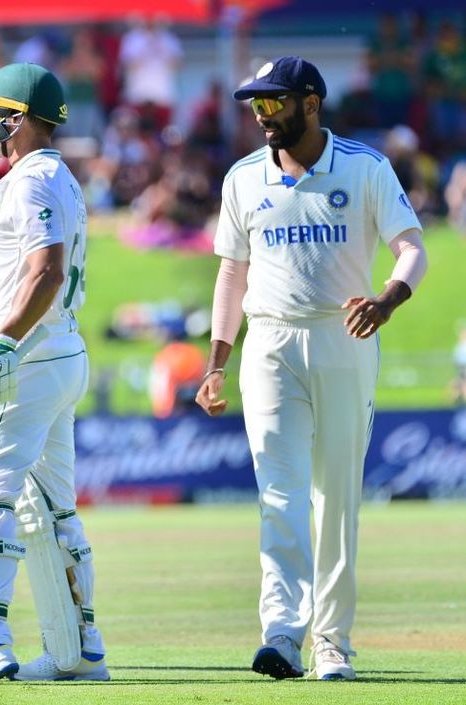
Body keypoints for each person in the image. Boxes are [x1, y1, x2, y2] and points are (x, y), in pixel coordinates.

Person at [195, 56, 428, 681]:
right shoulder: (243, 178)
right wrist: (217, 361)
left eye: (274, 103)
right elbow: (230, 271)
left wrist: (388, 300)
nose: (262, 116)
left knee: (336, 497)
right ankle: (282, 632)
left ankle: (332, 641)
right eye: (256, 106)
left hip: (345, 336)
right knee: (279, 493)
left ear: (311, 103)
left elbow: (412, 248)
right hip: (268, 343)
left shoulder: (365, 166)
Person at [0, 63, 108, 685]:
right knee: (55, 509)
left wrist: (1, 344)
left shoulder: (31, 183)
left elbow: (46, 273)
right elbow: (27, 266)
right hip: (61, 354)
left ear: (19, 117)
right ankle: (80, 651)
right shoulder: (50, 178)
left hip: (28, 360)